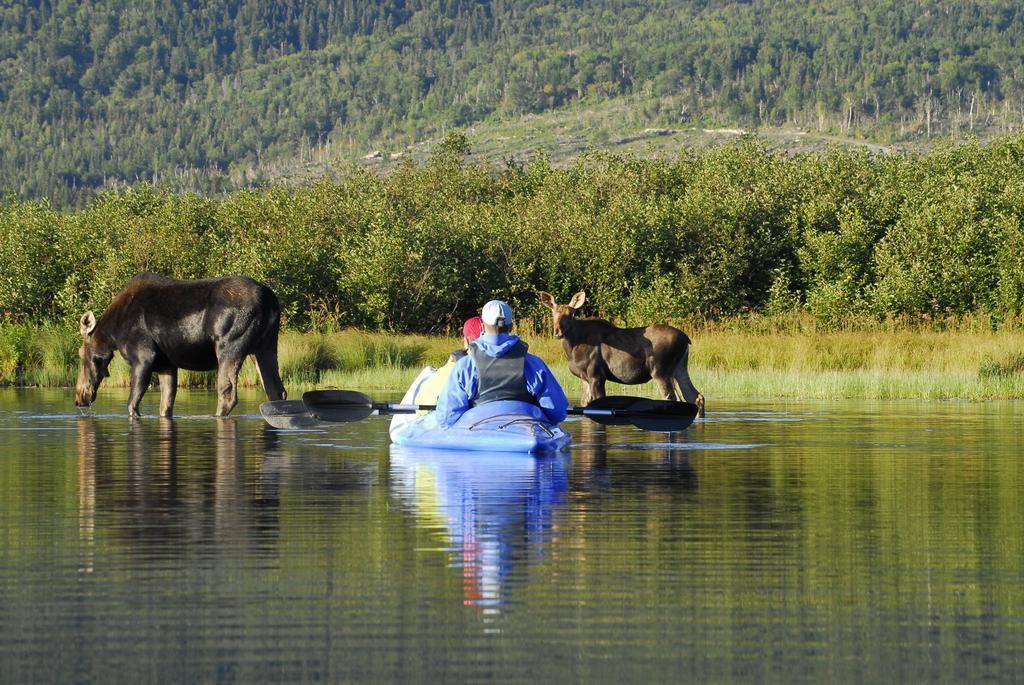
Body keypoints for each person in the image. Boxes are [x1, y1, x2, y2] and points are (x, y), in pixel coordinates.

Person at [435, 300, 568, 427]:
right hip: (524, 429)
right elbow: (558, 412)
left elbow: (447, 417)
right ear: (510, 326)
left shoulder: (465, 366)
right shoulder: (534, 364)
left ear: (484, 326)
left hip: (479, 431)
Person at [414, 315, 485, 409]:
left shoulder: (454, 366)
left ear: (466, 340)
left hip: (434, 413)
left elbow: (421, 402)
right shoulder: (498, 365)